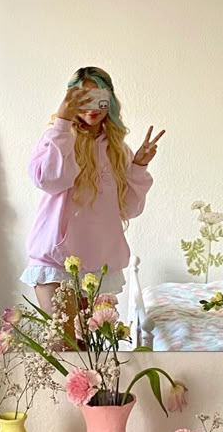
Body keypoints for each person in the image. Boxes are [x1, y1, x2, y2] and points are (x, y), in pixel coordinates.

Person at [21, 66, 165, 315]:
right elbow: (49, 179)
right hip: (56, 260)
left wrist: (139, 166)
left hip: (99, 263)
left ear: (110, 101)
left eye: (99, 99)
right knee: (63, 347)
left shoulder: (118, 149)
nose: (92, 108)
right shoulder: (57, 138)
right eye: (83, 99)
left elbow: (128, 209)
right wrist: (62, 124)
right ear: (71, 100)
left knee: (90, 351)